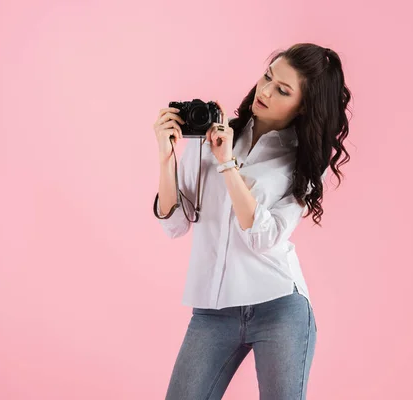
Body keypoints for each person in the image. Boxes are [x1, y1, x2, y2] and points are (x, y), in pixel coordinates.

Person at [152, 43, 352, 400]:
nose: (265, 91)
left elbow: (264, 236)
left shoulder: (302, 161)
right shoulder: (216, 133)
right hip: (213, 312)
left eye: (282, 90)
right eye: (267, 77)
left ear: (303, 105)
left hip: (279, 308)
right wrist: (167, 159)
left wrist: (227, 164)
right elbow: (176, 224)